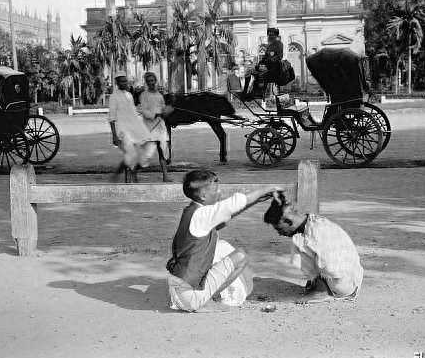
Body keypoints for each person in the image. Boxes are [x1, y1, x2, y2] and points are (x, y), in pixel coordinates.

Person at [166, 170, 282, 313]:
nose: (219, 192)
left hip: (179, 291)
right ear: (203, 195)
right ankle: (206, 300)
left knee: (221, 246)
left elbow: (228, 213)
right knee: (240, 256)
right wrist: (268, 188)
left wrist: (256, 199)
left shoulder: (193, 211)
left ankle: (204, 296)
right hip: (190, 298)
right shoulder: (202, 215)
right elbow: (232, 205)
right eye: (215, 189)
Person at [264, 191, 364, 304]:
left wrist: (321, 284)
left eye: (280, 229)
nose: (280, 234)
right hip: (349, 283)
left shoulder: (317, 230)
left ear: (288, 221)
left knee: (298, 244)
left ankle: (322, 291)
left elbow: (330, 266)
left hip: (344, 284)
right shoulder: (312, 222)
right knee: (300, 241)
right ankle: (322, 287)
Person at [108, 72, 155, 183]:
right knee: (131, 154)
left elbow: (132, 112)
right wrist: (114, 136)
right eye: (122, 81)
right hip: (123, 130)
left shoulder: (129, 95)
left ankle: (135, 171)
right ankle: (121, 177)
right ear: (117, 83)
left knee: (150, 147)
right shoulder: (113, 97)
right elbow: (112, 118)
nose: (125, 83)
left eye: (126, 80)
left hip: (135, 128)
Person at [138, 72, 171, 182]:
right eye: (148, 81)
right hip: (150, 128)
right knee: (146, 156)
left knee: (163, 152)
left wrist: (166, 111)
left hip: (160, 127)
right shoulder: (144, 95)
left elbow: (163, 108)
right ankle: (133, 171)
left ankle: (165, 177)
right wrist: (155, 115)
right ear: (146, 83)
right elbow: (144, 111)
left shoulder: (159, 95)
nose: (151, 82)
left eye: (152, 80)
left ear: (155, 81)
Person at [241, 27, 284, 99]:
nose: (270, 36)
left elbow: (279, 56)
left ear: (276, 35)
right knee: (249, 70)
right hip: (266, 66)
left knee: (253, 71)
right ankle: (246, 92)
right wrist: (260, 62)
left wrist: (268, 61)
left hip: (274, 68)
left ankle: (254, 93)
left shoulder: (279, 44)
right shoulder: (270, 46)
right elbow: (265, 57)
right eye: (269, 35)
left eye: (272, 35)